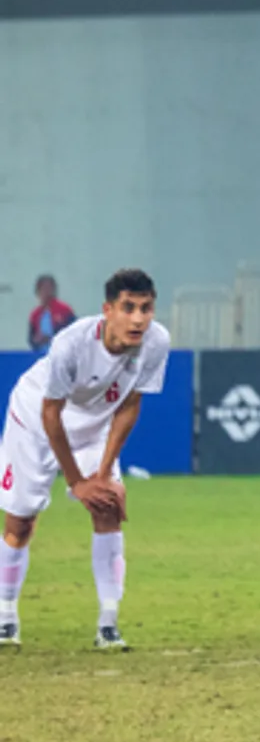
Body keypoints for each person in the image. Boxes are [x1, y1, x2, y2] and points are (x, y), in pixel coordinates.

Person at [0, 269, 169, 649]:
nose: (138, 318)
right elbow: (50, 415)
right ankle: (5, 615)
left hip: (94, 424)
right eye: (128, 308)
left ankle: (108, 625)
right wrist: (78, 482)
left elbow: (130, 405)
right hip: (34, 419)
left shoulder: (156, 342)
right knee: (21, 521)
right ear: (107, 310)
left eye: (146, 308)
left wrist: (104, 473)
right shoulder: (71, 344)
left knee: (107, 507)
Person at [28, 274, 76, 354]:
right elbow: (30, 339)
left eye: (49, 288)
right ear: (38, 291)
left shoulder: (65, 310)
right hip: (41, 355)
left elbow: (74, 333)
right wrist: (36, 340)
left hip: (62, 354)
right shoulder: (35, 314)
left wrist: (51, 338)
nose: (47, 292)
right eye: (44, 289)